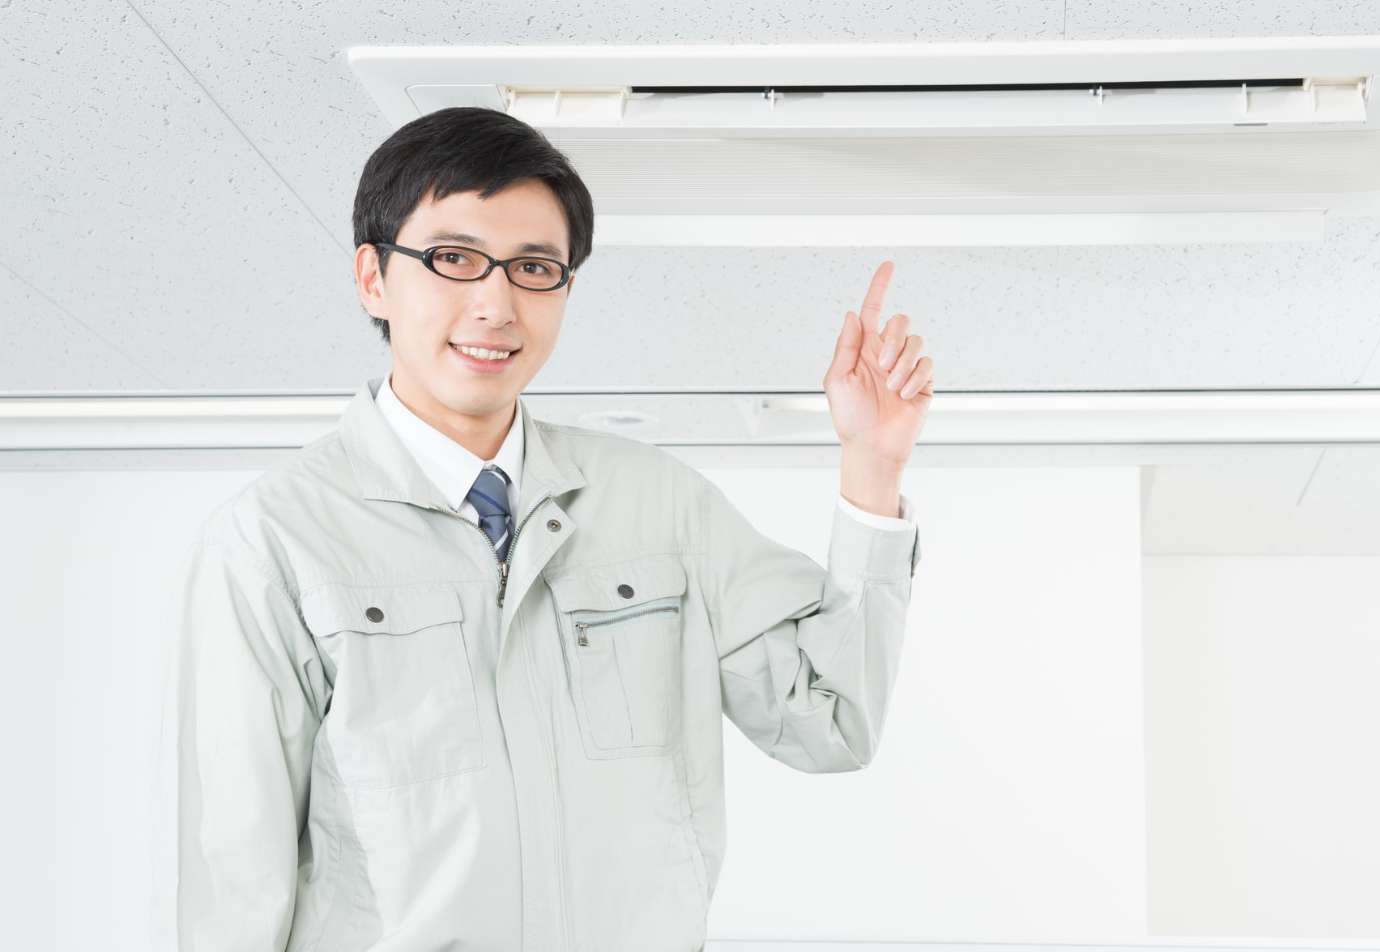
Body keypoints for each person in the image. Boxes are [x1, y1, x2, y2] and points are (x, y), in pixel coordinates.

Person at [150, 106, 934, 950]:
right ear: (373, 277)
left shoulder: (661, 506)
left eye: (533, 268)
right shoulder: (275, 541)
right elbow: (234, 887)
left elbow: (831, 721)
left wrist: (872, 466)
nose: (496, 304)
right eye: (453, 259)